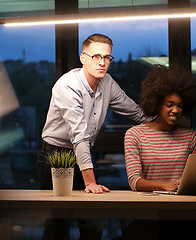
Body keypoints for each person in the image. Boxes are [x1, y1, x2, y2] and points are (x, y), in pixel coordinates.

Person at [38, 33, 151, 239]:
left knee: (93, 227)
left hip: (83, 156)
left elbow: (135, 112)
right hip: (55, 156)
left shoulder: (107, 82)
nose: (102, 62)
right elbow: (79, 136)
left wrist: (163, 120)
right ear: (83, 58)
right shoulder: (68, 85)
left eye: (107, 57)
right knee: (57, 226)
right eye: (96, 56)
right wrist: (90, 182)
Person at [124, 64, 196, 240]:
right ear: (156, 103)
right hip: (150, 214)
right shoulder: (135, 134)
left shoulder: (190, 136)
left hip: (185, 212)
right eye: (170, 104)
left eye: (180, 106)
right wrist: (165, 185)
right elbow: (134, 181)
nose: (176, 110)